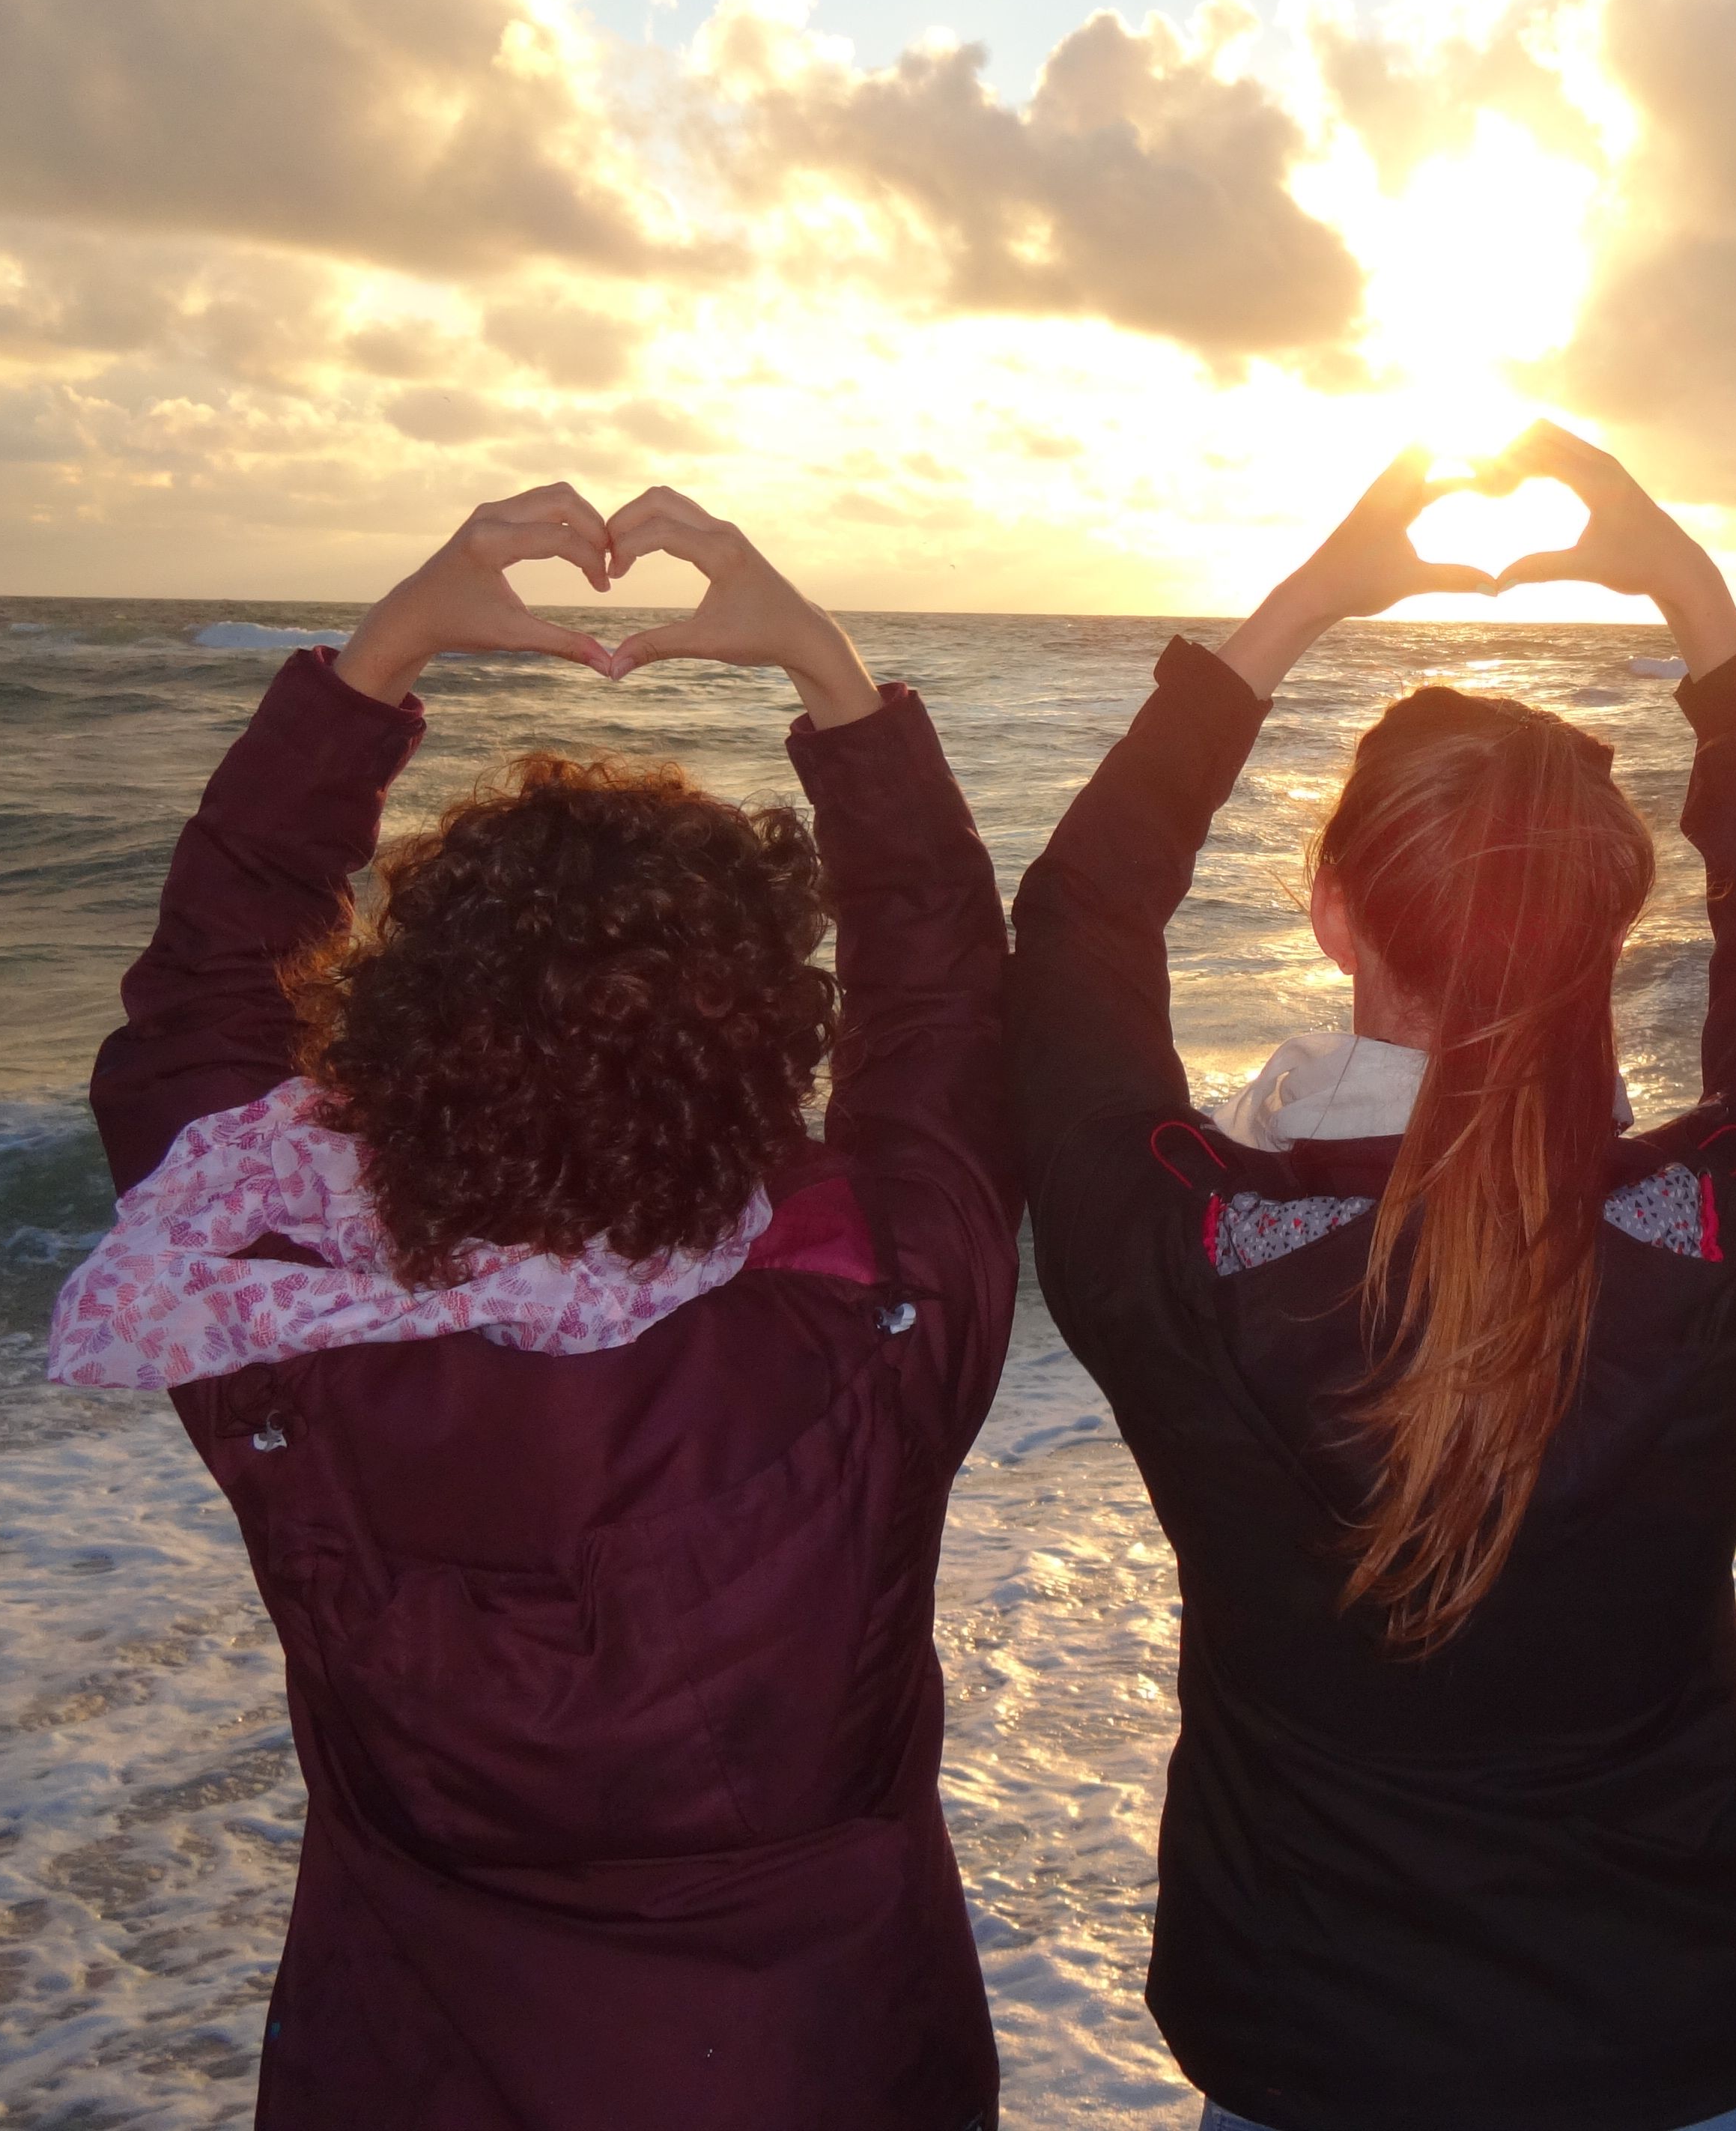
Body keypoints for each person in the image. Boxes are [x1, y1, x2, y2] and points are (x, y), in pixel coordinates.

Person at [49, 484, 1019, 2131]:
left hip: (407, 2072)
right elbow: (943, 1022)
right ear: (772, 1051)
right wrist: (829, 676)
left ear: (389, 1052)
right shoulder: (875, 1326)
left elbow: (207, 992)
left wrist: (388, 653)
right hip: (826, 2075)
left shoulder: (269, 1320)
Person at [1007, 428, 1736, 2131]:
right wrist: (1697, 605)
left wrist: (1309, 604)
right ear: (1611, 926)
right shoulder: (1726, 1245)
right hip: (1695, 2039)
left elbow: (1078, 922)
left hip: (1313, 2044)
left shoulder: (1183, 1255)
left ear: (1334, 914)